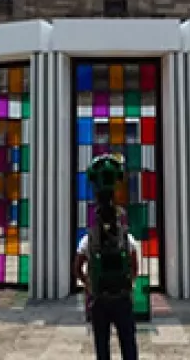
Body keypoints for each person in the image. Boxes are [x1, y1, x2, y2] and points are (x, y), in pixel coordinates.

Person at [73, 154, 140, 360]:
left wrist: (88, 284)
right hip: (119, 297)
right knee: (127, 345)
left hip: (101, 299)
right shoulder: (123, 237)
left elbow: (77, 267)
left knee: (103, 348)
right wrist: (130, 283)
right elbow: (134, 261)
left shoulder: (90, 239)